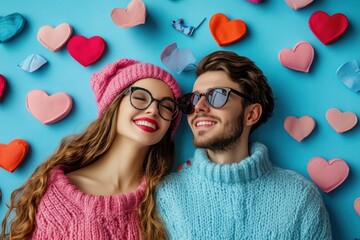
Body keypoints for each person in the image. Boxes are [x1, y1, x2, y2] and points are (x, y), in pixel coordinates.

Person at [156, 51, 332, 239]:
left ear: (251, 114)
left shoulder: (300, 198)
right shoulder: (169, 195)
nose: (198, 107)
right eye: (193, 99)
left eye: (216, 95)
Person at [1, 58, 182, 240]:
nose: (153, 110)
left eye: (166, 106)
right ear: (114, 105)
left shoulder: (167, 200)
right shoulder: (59, 199)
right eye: (140, 98)